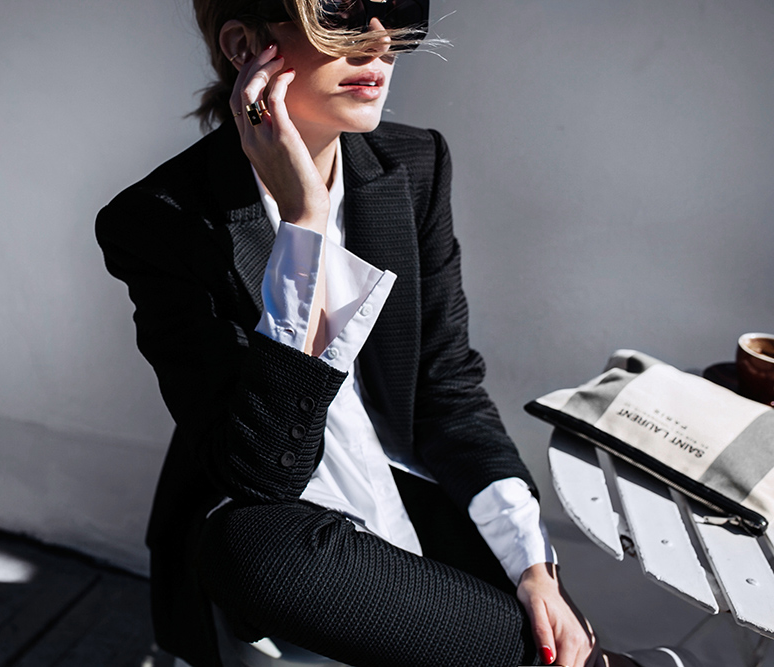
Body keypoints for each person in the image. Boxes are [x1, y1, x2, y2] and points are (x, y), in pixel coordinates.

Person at [97, 1, 629, 665]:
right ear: (243, 45)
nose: (380, 42)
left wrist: (534, 567)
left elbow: (445, 387)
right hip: (283, 518)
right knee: (256, 553)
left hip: (409, 482)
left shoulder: (414, 164)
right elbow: (262, 472)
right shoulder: (160, 220)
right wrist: (306, 228)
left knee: (532, 604)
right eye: (341, 14)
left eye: (396, 10)